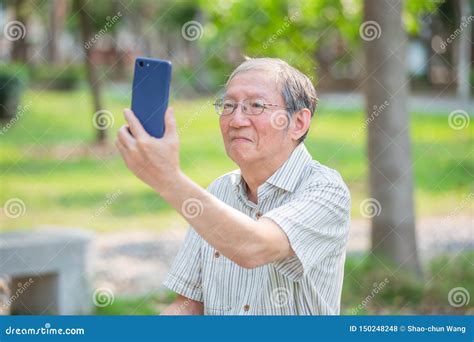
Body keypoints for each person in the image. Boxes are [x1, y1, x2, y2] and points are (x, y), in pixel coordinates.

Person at [115, 57, 351, 315]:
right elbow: (189, 305)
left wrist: (168, 179)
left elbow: (253, 247)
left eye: (255, 106)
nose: (236, 120)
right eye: (228, 105)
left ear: (298, 123)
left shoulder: (326, 190)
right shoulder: (219, 191)